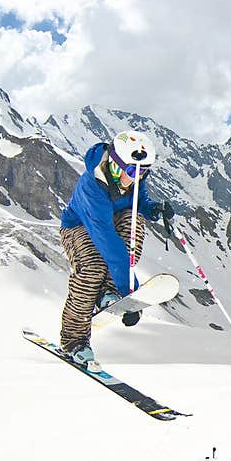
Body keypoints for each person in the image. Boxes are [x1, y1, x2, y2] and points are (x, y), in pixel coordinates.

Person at [59, 130, 174, 370]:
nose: (137, 177)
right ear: (114, 164)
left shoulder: (133, 177)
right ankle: (73, 342)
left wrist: (153, 209)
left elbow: (139, 200)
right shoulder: (93, 187)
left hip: (112, 220)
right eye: (133, 171)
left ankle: (107, 291)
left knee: (134, 222)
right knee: (92, 269)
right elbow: (110, 247)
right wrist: (130, 292)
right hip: (79, 226)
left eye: (144, 172)